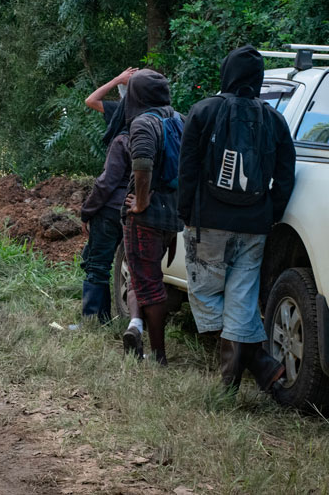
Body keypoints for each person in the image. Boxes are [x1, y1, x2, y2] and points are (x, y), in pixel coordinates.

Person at [177, 45, 295, 393]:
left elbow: (188, 169)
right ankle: (238, 378)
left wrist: (185, 213)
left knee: (203, 294)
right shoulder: (274, 119)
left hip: (207, 222)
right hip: (255, 224)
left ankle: (256, 364)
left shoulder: (203, 111)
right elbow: (287, 174)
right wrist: (270, 214)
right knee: (242, 299)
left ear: (226, 72)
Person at [121, 70, 183, 365]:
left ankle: (158, 356)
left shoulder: (143, 123)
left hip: (147, 217)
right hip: (172, 213)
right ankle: (148, 344)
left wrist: (141, 202)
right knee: (150, 279)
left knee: (149, 284)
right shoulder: (178, 119)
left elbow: (142, 162)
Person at [79, 67, 137, 321]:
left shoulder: (122, 128)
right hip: (140, 206)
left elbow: (107, 182)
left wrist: (87, 211)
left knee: (97, 264)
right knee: (137, 268)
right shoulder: (163, 121)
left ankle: (94, 319)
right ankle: (134, 321)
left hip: (112, 207)